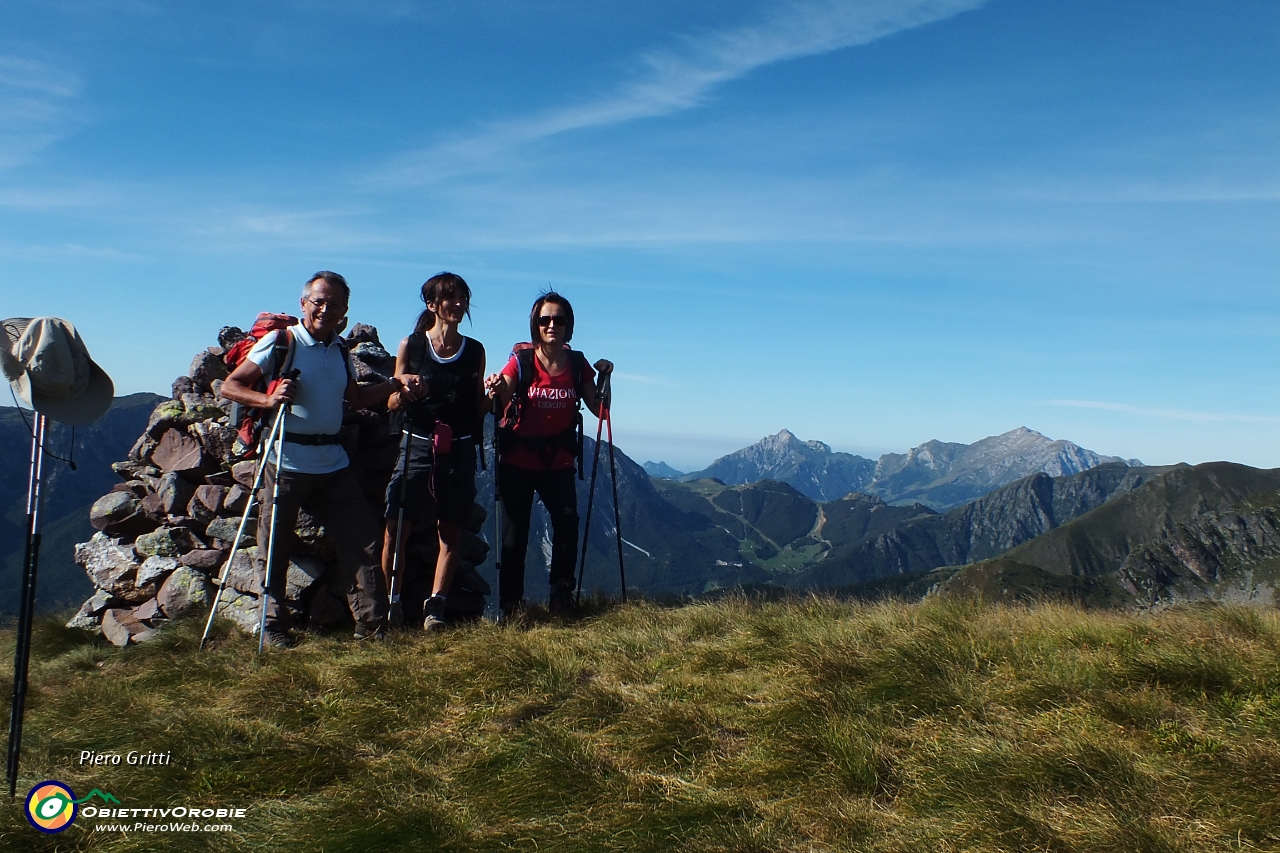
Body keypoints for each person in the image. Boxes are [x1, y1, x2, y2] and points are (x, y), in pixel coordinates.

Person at [220, 271, 419, 647]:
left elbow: (356, 400)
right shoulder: (282, 342)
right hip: (286, 458)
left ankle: (371, 626)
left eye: (335, 305)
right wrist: (267, 400)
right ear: (303, 304)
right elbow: (232, 385)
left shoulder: (340, 349)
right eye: (319, 302)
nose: (326, 310)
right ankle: (273, 627)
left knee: (363, 541)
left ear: (345, 312)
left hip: (331, 460)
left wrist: (395, 384)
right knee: (274, 545)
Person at [484, 292, 612, 618]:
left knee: (567, 524)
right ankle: (512, 604)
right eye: (545, 319)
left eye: (559, 319)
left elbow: (600, 409)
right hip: (517, 459)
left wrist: (603, 379)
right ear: (536, 325)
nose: (552, 324)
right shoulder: (522, 361)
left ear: (569, 326)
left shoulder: (578, 364)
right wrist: (496, 387)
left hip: (558, 459)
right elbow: (502, 392)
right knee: (516, 533)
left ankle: (561, 594)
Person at [383, 272, 487, 631]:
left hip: (456, 449)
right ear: (433, 305)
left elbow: (478, 407)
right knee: (396, 529)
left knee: (451, 531)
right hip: (417, 444)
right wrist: (405, 390)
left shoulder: (475, 352)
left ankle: (435, 610)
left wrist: (495, 393)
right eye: (450, 298)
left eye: (462, 298)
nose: (458, 304)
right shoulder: (410, 347)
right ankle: (392, 603)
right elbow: (392, 402)